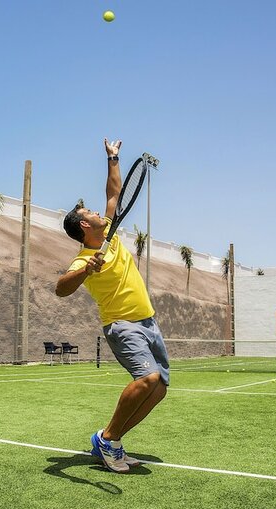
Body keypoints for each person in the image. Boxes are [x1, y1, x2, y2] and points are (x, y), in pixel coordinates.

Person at [55, 138, 169, 473]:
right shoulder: (84, 258)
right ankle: (107, 438)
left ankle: (113, 442)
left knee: (158, 389)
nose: (96, 211)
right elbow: (61, 289)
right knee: (147, 379)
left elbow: (113, 194)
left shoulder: (111, 235)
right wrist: (87, 269)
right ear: (84, 226)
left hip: (148, 321)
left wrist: (113, 157)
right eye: (88, 212)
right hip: (122, 325)